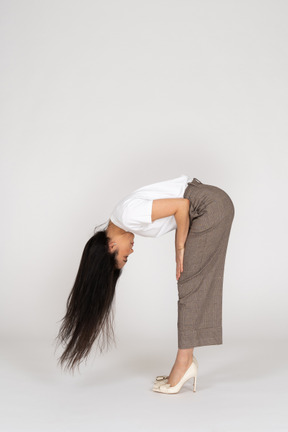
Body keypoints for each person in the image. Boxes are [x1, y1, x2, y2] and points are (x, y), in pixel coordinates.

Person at [55, 174, 234, 394]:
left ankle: (184, 362)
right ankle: (185, 362)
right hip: (208, 206)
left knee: (190, 282)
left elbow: (182, 205)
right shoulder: (124, 217)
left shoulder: (127, 216)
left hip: (209, 206)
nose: (131, 250)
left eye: (125, 256)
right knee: (193, 281)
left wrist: (179, 248)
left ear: (111, 247)